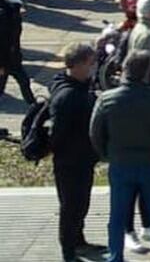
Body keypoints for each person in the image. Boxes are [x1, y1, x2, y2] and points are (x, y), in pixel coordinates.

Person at [91, 50, 150, 262]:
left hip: (121, 163)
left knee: (117, 215)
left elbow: (95, 133)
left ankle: (115, 256)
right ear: (148, 71)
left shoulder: (107, 99)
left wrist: (106, 155)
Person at [49, 42, 102, 262]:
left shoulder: (78, 88)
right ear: (78, 65)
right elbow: (57, 133)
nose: (93, 67)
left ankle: (78, 241)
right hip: (70, 161)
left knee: (80, 204)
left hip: (82, 158)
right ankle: (69, 253)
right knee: (71, 207)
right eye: (91, 63)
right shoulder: (68, 96)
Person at [0, 0, 36, 107]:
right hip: (6, 58)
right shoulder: (4, 13)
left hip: (12, 56)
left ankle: (34, 105)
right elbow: (3, 40)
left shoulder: (10, 8)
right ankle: (33, 105)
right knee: (22, 81)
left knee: (22, 81)